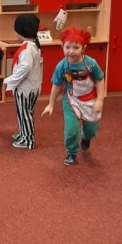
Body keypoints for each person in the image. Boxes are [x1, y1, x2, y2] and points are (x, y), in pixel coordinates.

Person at [42, 27, 104, 165]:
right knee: (71, 130)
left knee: (91, 130)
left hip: (90, 99)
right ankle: (72, 152)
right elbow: (56, 85)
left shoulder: (91, 64)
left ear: (83, 48)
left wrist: (100, 100)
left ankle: (86, 137)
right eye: (67, 47)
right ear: (62, 47)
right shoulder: (62, 66)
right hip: (71, 100)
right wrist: (51, 104)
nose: (71, 51)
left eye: (76, 47)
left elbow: (100, 79)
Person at [4, 13, 43, 149]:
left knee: (25, 113)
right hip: (32, 86)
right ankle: (23, 133)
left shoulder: (27, 49)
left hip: (26, 88)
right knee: (25, 112)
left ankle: (27, 139)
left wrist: (10, 79)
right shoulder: (34, 46)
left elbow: (25, 68)